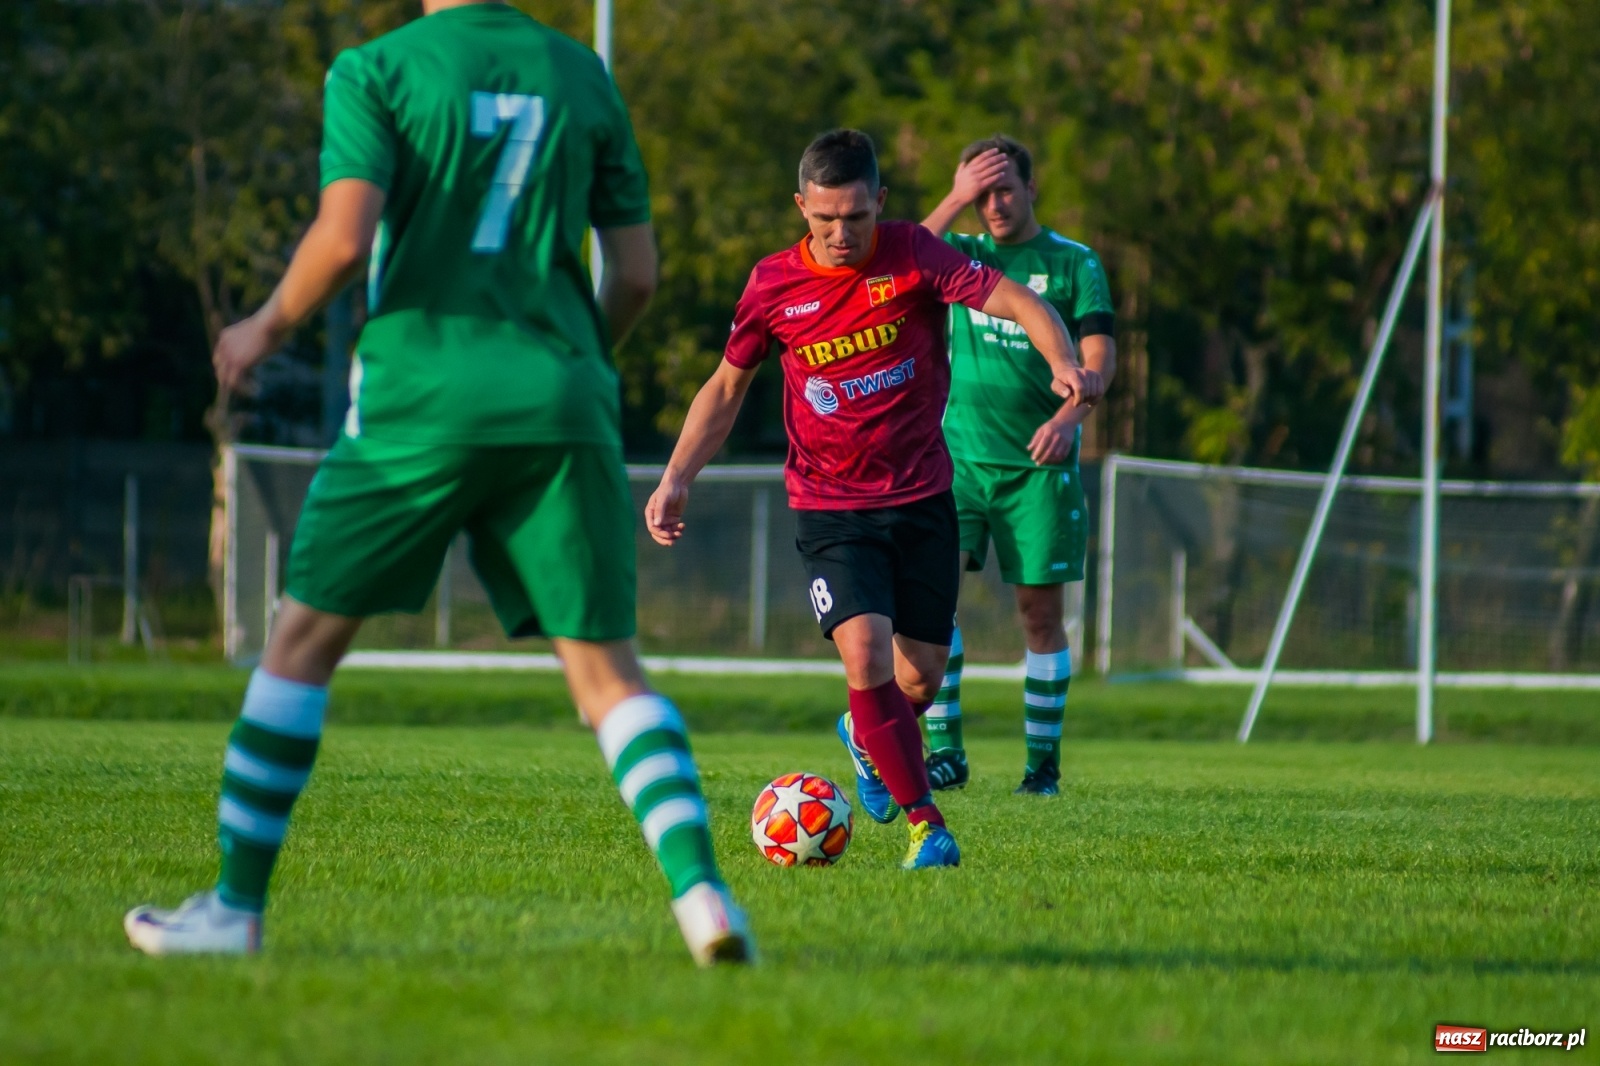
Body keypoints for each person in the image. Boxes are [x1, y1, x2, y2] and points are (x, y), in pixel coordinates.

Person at [123, 0, 752, 967]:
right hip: (562, 397)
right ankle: (704, 897)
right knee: (606, 674)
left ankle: (235, 910)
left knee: (301, 640)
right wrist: (569, 365)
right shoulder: (582, 72)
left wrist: (263, 327)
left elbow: (341, 240)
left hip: (422, 396)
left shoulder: (377, 70)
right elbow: (636, 275)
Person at [645, 129, 1099, 868]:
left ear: (879, 203)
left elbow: (1014, 299)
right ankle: (929, 825)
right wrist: (676, 477)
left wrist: (1064, 361)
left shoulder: (915, 255)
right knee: (865, 656)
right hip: (829, 506)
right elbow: (726, 388)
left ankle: (865, 736)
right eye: (824, 219)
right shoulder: (772, 285)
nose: (840, 233)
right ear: (801, 207)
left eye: (855, 216)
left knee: (918, 673)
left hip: (922, 496)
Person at [919, 135, 1119, 796]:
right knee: (929, 604)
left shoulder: (1072, 264)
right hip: (956, 464)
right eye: (983, 194)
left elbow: (1099, 358)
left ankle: (1042, 768)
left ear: (1032, 190)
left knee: (1038, 616)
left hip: (1036, 468)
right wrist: (954, 194)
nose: (994, 205)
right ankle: (945, 753)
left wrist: (1068, 422)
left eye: (1005, 190)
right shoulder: (963, 256)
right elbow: (898, 257)